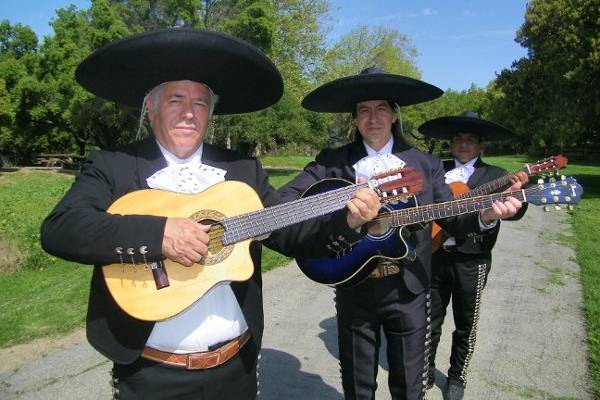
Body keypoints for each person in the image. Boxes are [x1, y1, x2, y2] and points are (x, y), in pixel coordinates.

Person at [40, 28, 381, 400]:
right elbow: (61, 228)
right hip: (151, 373)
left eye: (200, 103)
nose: (189, 112)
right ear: (150, 107)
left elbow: (289, 234)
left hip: (236, 367)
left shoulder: (242, 169)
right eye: (176, 100)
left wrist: (347, 221)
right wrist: (159, 235)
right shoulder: (115, 165)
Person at [277, 68, 524, 400]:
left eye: (381, 108)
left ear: (394, 114)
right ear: (355, 118)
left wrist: (486, 215)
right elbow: (284, 204)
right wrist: (342, 216)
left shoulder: (426, 164)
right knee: (357, 386)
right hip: (353, 286)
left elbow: (452, 217)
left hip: (409, 288)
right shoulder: (332, 163)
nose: (373, 117)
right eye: (364, 109)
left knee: (410, 387)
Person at [417, 111, 528, 399]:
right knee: (430, 320)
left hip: (473, 259)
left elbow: (516, 212)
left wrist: (519, 197)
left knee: (466, 323)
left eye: (470, 139)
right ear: (450, 144)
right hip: (434, 255)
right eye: (458, 139)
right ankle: (425, 372)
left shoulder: (496, 176)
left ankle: (457, 376)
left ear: (481, 146)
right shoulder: (435, 169)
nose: (463, 144)